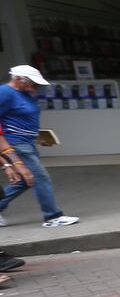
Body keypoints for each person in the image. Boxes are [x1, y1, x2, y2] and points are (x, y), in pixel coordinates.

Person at [0, 65, 80, 228]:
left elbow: (21, 120)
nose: (35, 88)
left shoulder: (24, 93)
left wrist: (37, 138)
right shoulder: (5, 92)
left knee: (24, 180)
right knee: (40, 177)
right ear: (19, 79)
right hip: (16, 143)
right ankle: (52, 216)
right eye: (32, 84)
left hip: (26, 142)